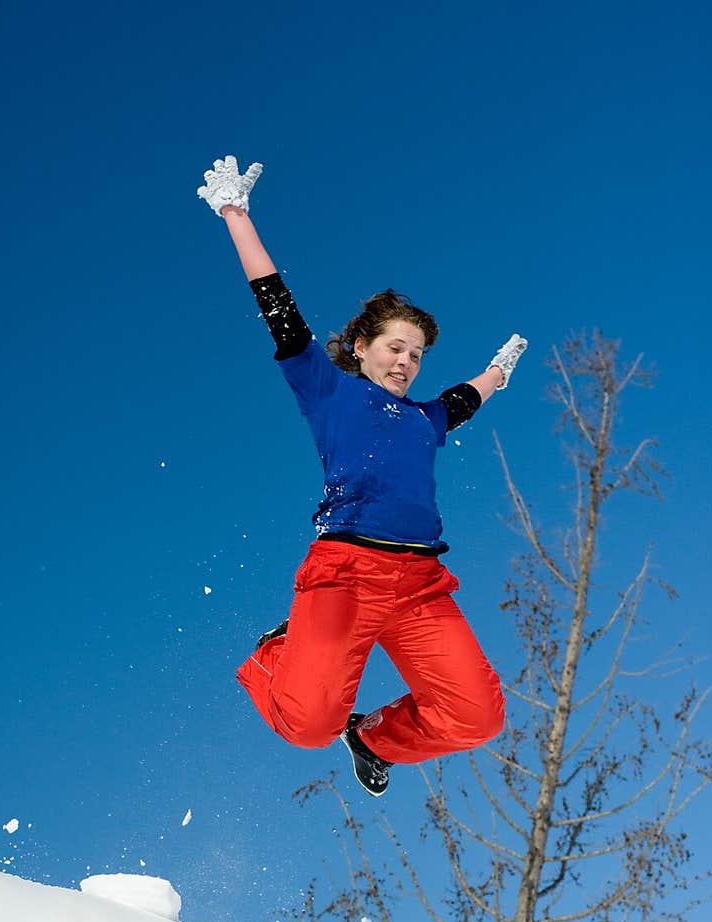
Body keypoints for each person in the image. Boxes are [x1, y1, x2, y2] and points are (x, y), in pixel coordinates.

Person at [197, 155, 527, 797]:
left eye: (417, 354)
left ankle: (371, 738)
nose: (406, 361)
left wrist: (496, 376)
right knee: (305, 726)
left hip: (419, 586)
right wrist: (237, 216)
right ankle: (278, 652)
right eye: (395, 347)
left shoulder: (423, 419)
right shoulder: (327, 389)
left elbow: (460, 401)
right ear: (360, 349)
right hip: (344, 573)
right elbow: (280, 311)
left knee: (477, 716)